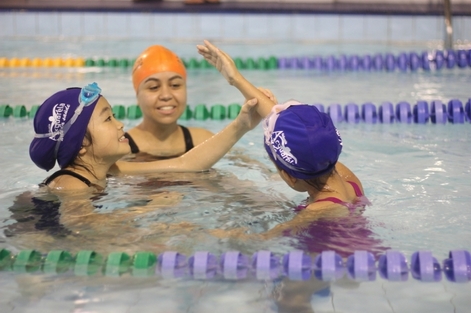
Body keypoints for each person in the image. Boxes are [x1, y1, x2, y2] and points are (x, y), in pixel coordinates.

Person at [198, 40, 387, 256]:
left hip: (332, 266)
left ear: (289, 177)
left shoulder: (316, 212)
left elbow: (262, 241)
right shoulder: (346, 178)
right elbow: (303, 134)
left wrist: (203, 233)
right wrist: (235, 79)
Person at [29, 81, 271, 192]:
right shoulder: (70, 186)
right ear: (80, 143)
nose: (121, 123)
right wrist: (148, 216)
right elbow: (93, 236)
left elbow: (185, 164)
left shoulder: (109, 170)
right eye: (108, 119)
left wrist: (241, 126)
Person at [126, 45, 275, 161]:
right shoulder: (121, 147)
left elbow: (256, 168)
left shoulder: (203, 140)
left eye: (175, 85)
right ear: (137, 95)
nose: (166, 95)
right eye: (153, 87)